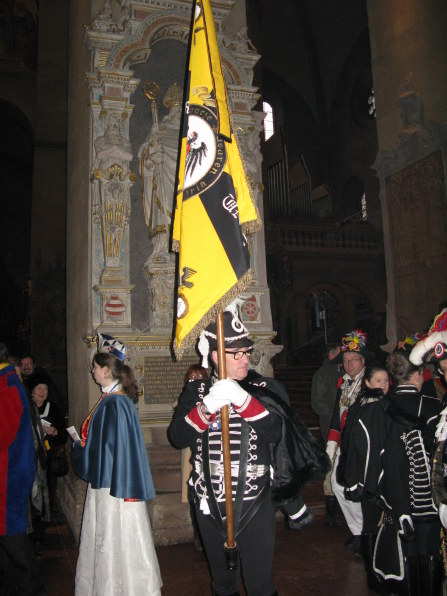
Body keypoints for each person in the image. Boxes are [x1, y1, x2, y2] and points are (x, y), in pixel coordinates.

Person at [168, 303, 329, 596]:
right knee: (224, 583)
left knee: (260, 584)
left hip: (257, 503)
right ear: (216, 357)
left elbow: (276, 432)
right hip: (210, 505)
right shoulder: (197, 391)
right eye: (236, 354)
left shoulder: (266, 387)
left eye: (247, 352)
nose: (245, 359)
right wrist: (207, 408)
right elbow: (178, 436)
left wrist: (243, 401)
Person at [72, 333, 162, 596]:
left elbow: (106, 450)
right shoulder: (112, 400)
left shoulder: (115, 404)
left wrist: (80, 448)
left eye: (95, 367)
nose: (92, 371)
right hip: (111, 479)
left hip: (112, 485)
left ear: (107, 370)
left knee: (116, 534)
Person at [364, 350, 442, 595]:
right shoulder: (432, 406)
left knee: (405, 555)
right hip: (430, 501)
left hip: (394, 499)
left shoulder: (380, 407)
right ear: (418, 376)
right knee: (430, 553)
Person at [337, 364, 390, 593]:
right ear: (367, 383)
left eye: (387, 381)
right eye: (378, 381)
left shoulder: (389, 406)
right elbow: (355, 445)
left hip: (387, 476)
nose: (384, 385)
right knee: (371, 523)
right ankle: (373, 574)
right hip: (370, 477)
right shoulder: (363, 408)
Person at [0, 342, 44, 596]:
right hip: (9, 472)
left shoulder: (7, 385)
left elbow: (4, 434)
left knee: (12, 538)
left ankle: (30, 589)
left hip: (9, 475)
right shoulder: (7, 382)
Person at [326, 329, 368, 552]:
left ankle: (366, 532)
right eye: (346, 360)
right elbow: (336, 415)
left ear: (363, 361)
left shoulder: (370, 383)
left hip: (362, 447)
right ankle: (357, 530)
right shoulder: (342, 383)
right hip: (344, 445)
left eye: (354, 360)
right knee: (337, 485)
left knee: (358, 488)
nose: (349, 364)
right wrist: (331, 447)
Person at [138, 82, 183, 262]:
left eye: (182, 112)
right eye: (177, 112)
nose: (180, 116)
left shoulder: (192, 135)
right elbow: (145, 157)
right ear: (170, 114)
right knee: (164, 212)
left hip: (186, 186)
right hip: (165, 180)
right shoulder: (160, 132)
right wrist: (151, 157)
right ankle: (163, 247)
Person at [310, 342, 343, 526]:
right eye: (339, 353)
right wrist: (338, 416)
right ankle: (332, 511)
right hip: (331, 426)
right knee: (332, 464)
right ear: (331, 354)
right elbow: (318, 404)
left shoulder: (342, 372)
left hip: (342, 426)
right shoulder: (323, 374)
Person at [28, 373, 67, 509]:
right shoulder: (26, 408)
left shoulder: (54, 409)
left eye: (45, 389)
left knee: (47, 488)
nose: (42, 392)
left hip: (48, 458)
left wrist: (55, 432)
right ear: (32, 391)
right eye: (39, 388)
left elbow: (63, 434)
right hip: (29, 456)